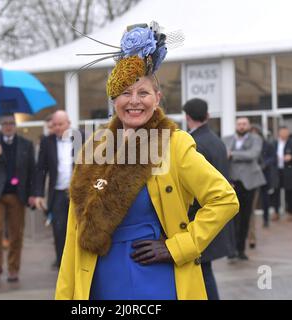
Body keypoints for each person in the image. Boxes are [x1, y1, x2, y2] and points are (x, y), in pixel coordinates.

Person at [55, 22, 239, 300]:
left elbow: (225, 200)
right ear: (114, 99)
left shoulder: (175, 144)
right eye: (125, 93)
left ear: (157, 98)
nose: (134, 101)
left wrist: (179, 247)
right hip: (99, 276)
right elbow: (75, 229)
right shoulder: (93, 147)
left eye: (143, 93)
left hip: (155, 276)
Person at [183, 98, 236, 300]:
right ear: (207, 116)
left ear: (187, 117)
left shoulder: (194, 144)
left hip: (200, 218)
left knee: (202, 272)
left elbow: (194, 188)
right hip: (214, 216)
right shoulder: (217, 141)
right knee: (205, 270)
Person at [0, 114, 36, 283]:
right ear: (0, 126)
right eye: (4, 123)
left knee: (16, 233)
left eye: (11, 123)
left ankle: (13, 268)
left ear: (15, 125)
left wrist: (32, 193)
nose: (8, 126)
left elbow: (32, 170)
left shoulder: (26, 144)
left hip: (18, 195)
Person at [34, 110, 80, 269]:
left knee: (79, 228)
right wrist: (39, 194)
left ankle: (79, 261)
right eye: (55, 125)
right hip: (58, 193)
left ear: (69, 123)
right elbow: (41, 169)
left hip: (78, 193)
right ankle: (62, 262)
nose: (58, 127)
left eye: (61, 124)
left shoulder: (81, 138)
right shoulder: (47, 142)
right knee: (59, 229)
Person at [223, 117, 266, 260]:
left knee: (246, 217)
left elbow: (253, 154)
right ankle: (231, 249)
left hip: (250, 183)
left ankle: (241, 249)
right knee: (231, 217)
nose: (241, 126)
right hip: (232, 183)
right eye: (239, 124)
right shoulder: (227, 139)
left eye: (244, 124)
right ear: (236, 125)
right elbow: (223, 156)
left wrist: (233, 154)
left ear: (248, 126)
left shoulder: (255, 139)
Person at [251, 124, 278, 228]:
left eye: (255, 133)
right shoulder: (249, 145)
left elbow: (273, 158)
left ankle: (266, 220)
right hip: (252, 175)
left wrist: (264, 164)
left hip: (264, 175)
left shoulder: (267, 144)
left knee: (265, 199)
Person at [272, 126, 292, 221]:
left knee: (290, 192)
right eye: (282, 132)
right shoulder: (274, 143)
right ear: (279, 133)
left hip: (289, 171)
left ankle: (290, 212)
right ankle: (276, 212)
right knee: (276, 192)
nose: (284, 134)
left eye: (286, 132)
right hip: (277, 171)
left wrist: (291, 157)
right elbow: (269, 155)